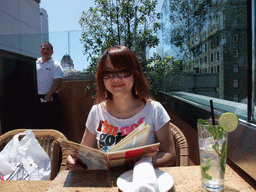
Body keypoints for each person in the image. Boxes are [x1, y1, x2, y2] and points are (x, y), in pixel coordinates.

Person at [67, 45, 176, 168]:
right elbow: (83, 153)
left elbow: (169, 154)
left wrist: (135, 166)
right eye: (108, 73)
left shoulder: (154, 110)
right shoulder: (96, 112)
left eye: (123, 71)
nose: (116, 79)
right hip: (107, 183)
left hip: (140, 182)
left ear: (135, 73)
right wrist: (73, 159)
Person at [36, 42, 64, 130]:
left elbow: (58, 81)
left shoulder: (56, 65)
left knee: (51, 126)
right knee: (38, 126)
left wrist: (48, 95)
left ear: (52, 52)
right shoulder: (35, 62)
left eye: (48, 49)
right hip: (36, 99)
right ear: (40, 50)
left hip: (50, 99)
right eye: (44, 48)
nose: (45, 51)